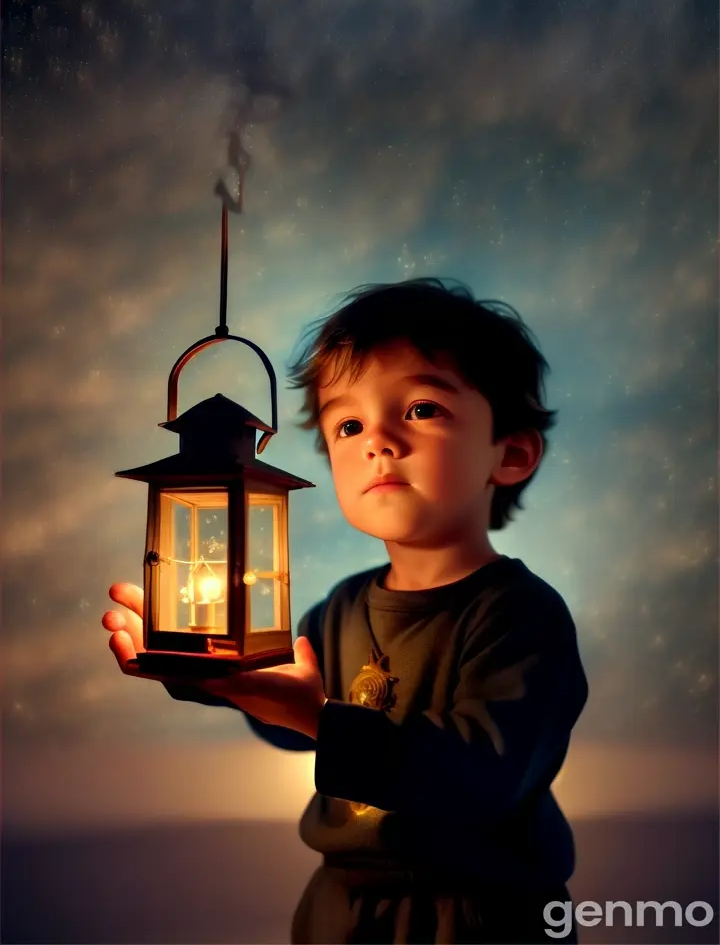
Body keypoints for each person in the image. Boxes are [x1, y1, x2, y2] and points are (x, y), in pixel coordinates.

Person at [103, 278, 589, 944]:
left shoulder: (520, 618)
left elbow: (484, 778)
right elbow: (295, 719)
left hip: (478, 912)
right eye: (349, 424)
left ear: (511, 453)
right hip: (342, 904)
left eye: (420, 409)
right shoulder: (342, 609)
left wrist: (314, 717)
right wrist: (208, 671)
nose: (377, 441)